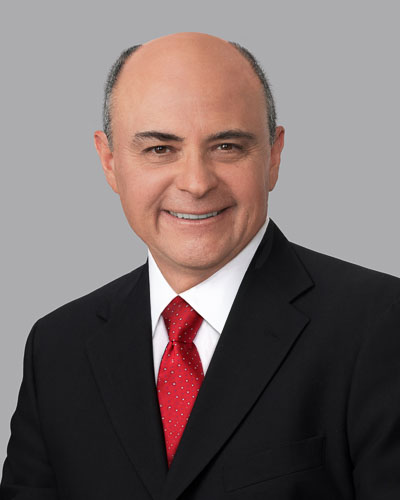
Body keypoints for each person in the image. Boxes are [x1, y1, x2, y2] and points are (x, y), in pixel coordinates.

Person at [1, 32, 400, 500]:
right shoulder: (56, 348)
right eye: (160, 149)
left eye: (227, 146)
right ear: (109, 162)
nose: (195, 183)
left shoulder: (380, 325)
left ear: (273, 156)